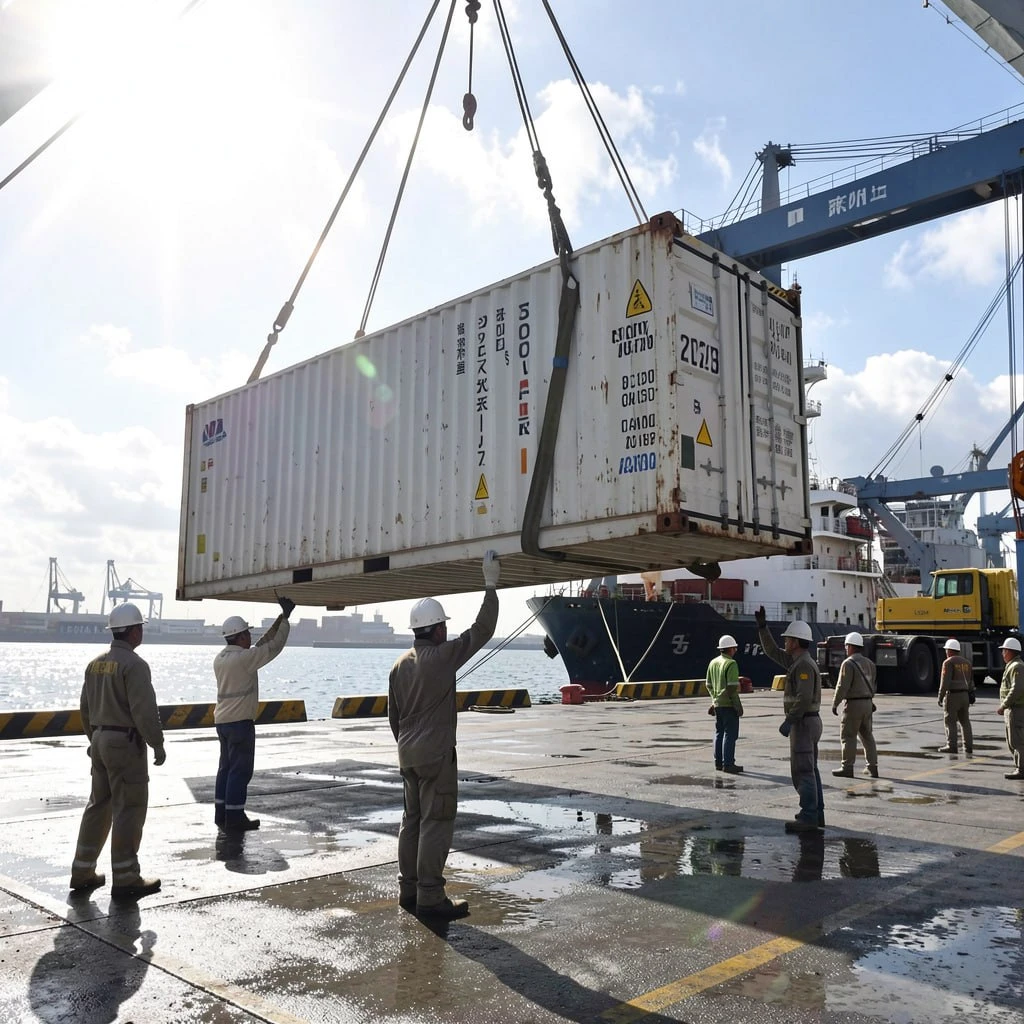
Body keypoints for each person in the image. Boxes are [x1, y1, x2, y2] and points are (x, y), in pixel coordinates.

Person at [388, 551, 500, 919]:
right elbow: (481, 631)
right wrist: (490, 585)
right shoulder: (442, 656)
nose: (446, 631)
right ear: (436, 629)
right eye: (443, 627)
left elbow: (394, 717)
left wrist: (407, 748)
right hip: (436, 756)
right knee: (437, 822)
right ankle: (431, 897)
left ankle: (408, 890)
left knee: (412, 822)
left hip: (407, 756)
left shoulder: (399, 665)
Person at [70, 602, 166, 900]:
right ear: (135, 631)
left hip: (99, 739)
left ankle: (82, 871)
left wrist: (94, 739)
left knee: (98, 805)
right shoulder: (135, 666)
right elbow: (144, 711)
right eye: (141, 627)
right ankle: (126, 877)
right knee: (129, 809)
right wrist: (157, 743)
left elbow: (84, 709)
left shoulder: (95, 664)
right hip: (124, 744)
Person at [213, 596, 295, 831]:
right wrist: (287, 620)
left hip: (223, 723)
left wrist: (280, 618)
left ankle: (222, 814)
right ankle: (236, 818)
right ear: (239, 637)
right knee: (240, 771)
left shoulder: (221, 659)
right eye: (247, 633)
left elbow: (260, 644)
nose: (250, 636)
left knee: (225, 769)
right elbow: (272, 647)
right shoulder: (244, 659)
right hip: (240, 724)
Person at [756, 607, 823, 832]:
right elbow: (772, 652)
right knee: (811, 769)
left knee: (803, 770)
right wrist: (762, 628)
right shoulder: (797, 661)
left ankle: (808, 816)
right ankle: (816, 813)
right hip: (807, 722)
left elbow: (803, 698)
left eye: (787, 639)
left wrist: (790, 720)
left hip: (803, 723)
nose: (785, 642)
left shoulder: (803, 665)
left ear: (796, 641)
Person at [830, 631, 878, 778]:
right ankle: (872, 767)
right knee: (867, 736)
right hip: (868, 704)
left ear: (850, 646)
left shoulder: (848, 663)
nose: (845, 649)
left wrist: (835, 703)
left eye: (846, 646)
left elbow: (842, 686)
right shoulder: (870, 663)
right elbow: (874, 684)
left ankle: (847, 767)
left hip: (853, 705)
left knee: (848, 736)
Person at [706, 634, 743, 773]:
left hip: (718, 705)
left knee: (719, 733)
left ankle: (718, 763)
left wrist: (714, 700)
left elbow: (708, 685)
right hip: (728, 705)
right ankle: (728, 764)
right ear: (731, 649)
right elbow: (732, 687)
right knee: (730, 734)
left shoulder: (713, 662)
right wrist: (738, 706)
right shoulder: (731, 663)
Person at [937, 638, 975, 755]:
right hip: (965, 695)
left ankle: (951, 745)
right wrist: (971, 694)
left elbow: (945, 682)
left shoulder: (948, 663)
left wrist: (940, 696)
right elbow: (971, 681)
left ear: (949, 651)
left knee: (950, 721)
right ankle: (968, 746)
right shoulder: (967, 663)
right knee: (965, 721)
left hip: (953, 695)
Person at [996, 635, 1024, 780]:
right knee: (1012, 740)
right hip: (1012, 709)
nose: (1002, 654)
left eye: (1004, 651)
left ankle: (1021, 769)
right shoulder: (1013, 665)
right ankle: (1019, 767)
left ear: (1009, 651)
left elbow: (1017, 688)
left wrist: (1004, 705)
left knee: (1017, 740)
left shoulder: (1016, 666)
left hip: (1016, 709)